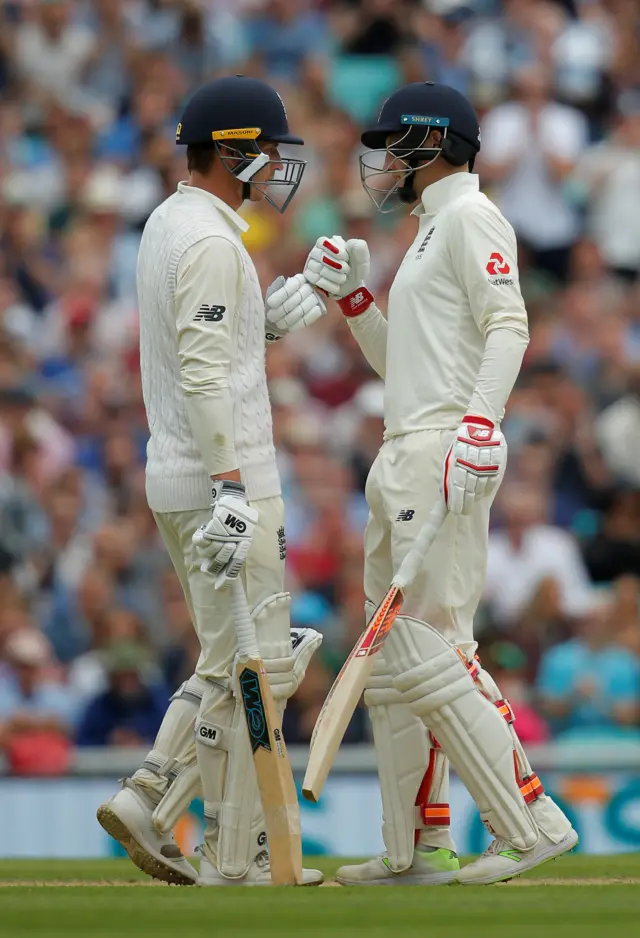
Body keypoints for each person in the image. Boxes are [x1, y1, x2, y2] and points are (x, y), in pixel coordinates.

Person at [303, 81, 577, 886]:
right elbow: (405, 372)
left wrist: (480, 426)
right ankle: (416, 848)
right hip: (405, 445)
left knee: (440, 649)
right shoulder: (427, 231)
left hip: (445, 450)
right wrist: (356, 302)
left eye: (394, 145)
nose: (382, 162)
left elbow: (510, 324)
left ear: (431, 144)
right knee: (394, 662)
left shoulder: (470, 217)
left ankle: (530, 820)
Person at [97, 75, 328, 887]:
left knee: (236, 660)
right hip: (222, 480)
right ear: (232, 153)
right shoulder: (209, 241)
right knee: (258, 667)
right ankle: (236, 853)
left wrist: (279, 312)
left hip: (182, 475)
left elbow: (214, 347)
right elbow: (201, 372)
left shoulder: (172, 223)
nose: (275, 166)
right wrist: (233, 487)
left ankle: (153, 798)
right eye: (266, 151)